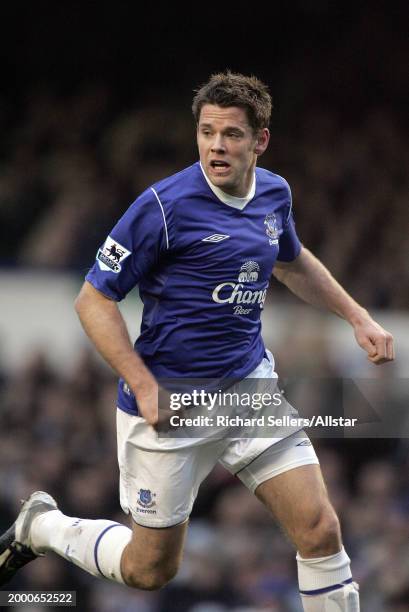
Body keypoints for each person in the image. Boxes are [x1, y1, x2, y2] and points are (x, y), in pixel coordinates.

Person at [0, 72, 394, 610]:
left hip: (248, 387)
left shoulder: (274, 193)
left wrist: (357, 316)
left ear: (261, 140)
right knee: (149, 569)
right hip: (172, 400)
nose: (216, 145)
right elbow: (93, 298)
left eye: (231, 134)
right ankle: (43, 526)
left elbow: (291, 260)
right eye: (207, 132)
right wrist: (142, 385)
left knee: (321, 530)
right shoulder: (163, 207)